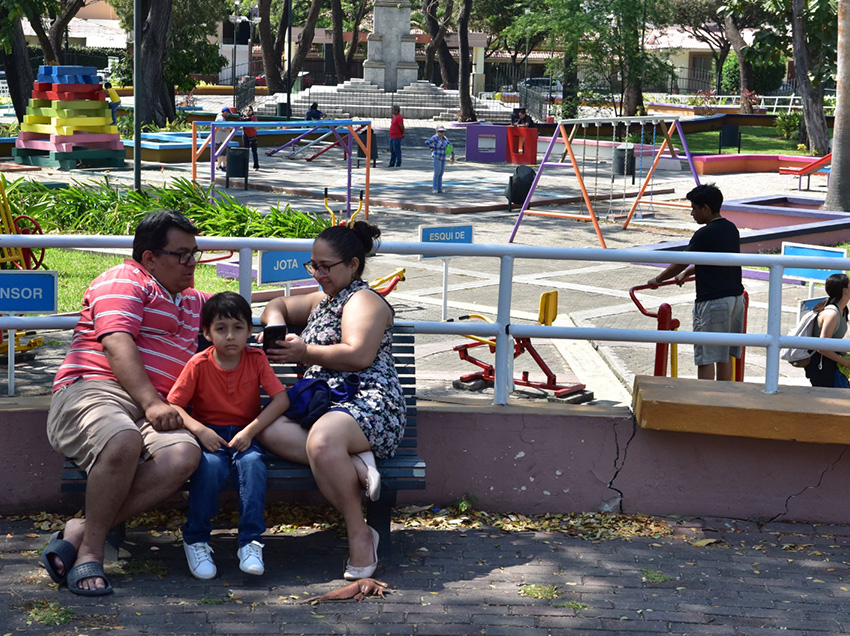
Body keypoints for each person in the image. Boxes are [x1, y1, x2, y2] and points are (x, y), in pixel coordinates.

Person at [43, 210, 210, 595]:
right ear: (149, 258)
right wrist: (151, 403)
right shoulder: (124, 280)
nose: (191, 263)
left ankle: (81, 530)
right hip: (95, 390)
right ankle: (91, 555)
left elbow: (241, 311)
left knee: (183, 455)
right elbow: (117, 343)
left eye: (194, 254)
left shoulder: (192, 300)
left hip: (155, 409)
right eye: (181, 255)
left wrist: (335, 288)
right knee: (121, 439)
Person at [258, 221, 406, 581]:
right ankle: (354, 463)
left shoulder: (364, 300)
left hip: (367, 399)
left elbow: (357, 356)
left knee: (323, 442)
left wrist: (305, 350)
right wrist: (276, 323)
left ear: (353, 264)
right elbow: (276, 303)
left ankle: (359, 535)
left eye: (326, 266)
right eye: (313, 265)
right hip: (325, 405)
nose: (318, 273)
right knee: (267, 429)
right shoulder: (323, 300)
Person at [167, 292, 290, 579]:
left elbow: (281, 399)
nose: (230, 336)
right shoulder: (198, 364)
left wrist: (251, 431)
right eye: (221, 329)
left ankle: (250, 542)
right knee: (209, 469)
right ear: (207, 333)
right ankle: (195, 538)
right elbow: (174, 405)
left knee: (252, 466)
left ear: (249, 330)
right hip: (210, 436)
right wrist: (200, 430)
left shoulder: (256, 358)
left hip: (246, 434)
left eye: (238, 328)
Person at [647, 184, 745, 381]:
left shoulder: (704, 233)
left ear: (705, 208)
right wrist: (688, 272)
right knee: (724, 354)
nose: (692, 213)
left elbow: (681, 261)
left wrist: (658, 280)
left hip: (713, 301)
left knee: (706, 356)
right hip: (735, 299)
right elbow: (717, 258)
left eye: (693, 208)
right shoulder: (730, 228)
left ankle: (705, 400)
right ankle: (724, 399)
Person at [804, 273, 850, 388]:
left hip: (832, 363)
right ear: (844, 290)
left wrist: (844, 354)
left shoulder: (843, 310)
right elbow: (822, 347)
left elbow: (833, 340)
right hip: (823, 367)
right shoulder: (832, 314)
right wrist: (845, 362)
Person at [425, 126, 451, 194]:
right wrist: (433, 147)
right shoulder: (435, 137)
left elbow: (449, 145)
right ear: (437, 131)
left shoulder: (445, 138)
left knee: (441, 173)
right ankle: (435, 188)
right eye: (440, 131)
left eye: (443, 131)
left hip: (443, 156)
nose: (441, 133)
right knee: (437, 173)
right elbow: (428, 142)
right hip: (437, 156)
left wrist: (452, 153)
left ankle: (440, 188)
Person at [241, 106, 260, 171]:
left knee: (254, 151)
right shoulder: (244, 118)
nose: (248, 112)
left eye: (249, 110)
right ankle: (245, 166)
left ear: (252, 111)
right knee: (245, 151)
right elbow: (241, 126)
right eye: (246, 110)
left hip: (253, 136)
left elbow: (256, 127)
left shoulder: (254, 118)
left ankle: (256, 166)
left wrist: (250, 122)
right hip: (245, 135)